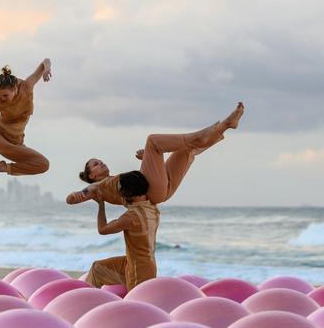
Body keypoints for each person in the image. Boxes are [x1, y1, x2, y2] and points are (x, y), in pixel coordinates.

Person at [67, 102, 245, 290]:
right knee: (153, 141)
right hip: (153, 193)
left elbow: (137, 183)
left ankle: (224, 126)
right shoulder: (98, 187)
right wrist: (82, 193)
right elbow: (71, 200)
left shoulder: (117, 182)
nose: (100, 163)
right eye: (95, 164)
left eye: (100, 161)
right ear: (92, 175)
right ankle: (206, 132)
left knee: (186, 150)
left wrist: (150, 160)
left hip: (154, 193)